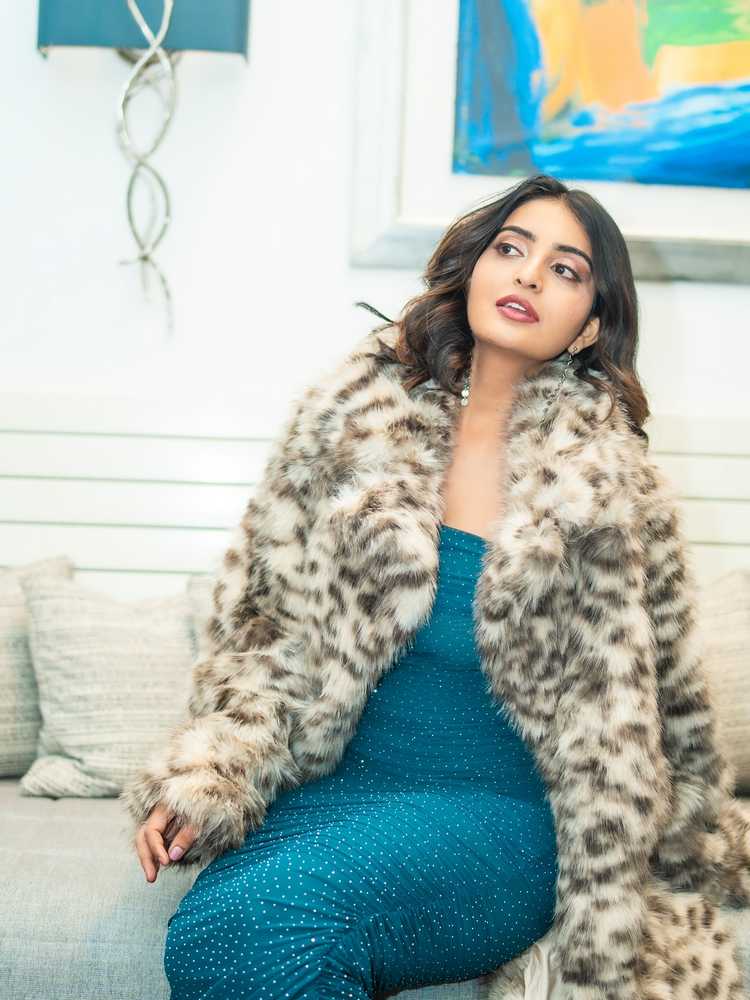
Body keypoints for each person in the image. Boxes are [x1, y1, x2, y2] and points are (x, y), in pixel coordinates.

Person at [121, 172, 750, 1000]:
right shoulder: (347, 422)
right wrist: (214, 770)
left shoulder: (612, 491)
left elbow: (672, 708)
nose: (529, 275)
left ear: (590, 324)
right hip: (341, 795)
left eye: (565, 269)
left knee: (263, 924)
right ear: (475, 267)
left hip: (508, 820)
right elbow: (267, 630)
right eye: (512, 248)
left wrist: (686, 854)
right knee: (214, 934)